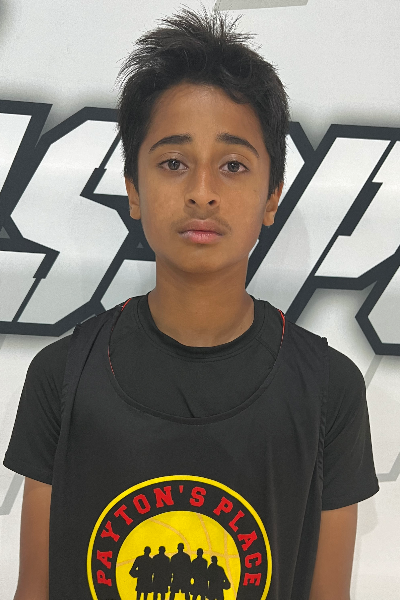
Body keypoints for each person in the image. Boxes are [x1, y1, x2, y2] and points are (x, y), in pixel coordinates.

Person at [3, 6, 379, 600]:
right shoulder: (62, 377)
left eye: (233, 165)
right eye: (174, 163)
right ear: (133, 188)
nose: (202, 192)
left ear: (271, 198)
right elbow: (35, 589)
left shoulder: (329, 390)